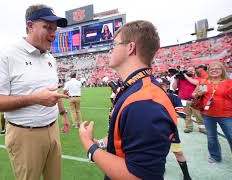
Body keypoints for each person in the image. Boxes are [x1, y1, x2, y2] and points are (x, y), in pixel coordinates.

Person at [79, 20, 179, 179]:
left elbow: (139, 175)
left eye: (114, 45)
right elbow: (126, 138)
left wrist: (89, 146)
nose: (110, 51)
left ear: (130, 48)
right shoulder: (136, 88)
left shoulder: (145, 102)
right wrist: (101, 144)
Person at [0, 4, 70, 180]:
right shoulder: (7, 54)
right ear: (30, 26)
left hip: (53, 130)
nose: (53, 34)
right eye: (47, 27)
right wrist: (35, 99)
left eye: (54, 29)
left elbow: (52, 91)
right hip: (25, 135)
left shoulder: (49, 57)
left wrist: (63, 113)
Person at [192, 62, 232, 163]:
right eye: (212, 69)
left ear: (222, 70)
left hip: (226, 115)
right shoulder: (203, 81)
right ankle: (215, 156)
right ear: (208, 71)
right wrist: (198, 93)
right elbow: (194, 95)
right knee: (211, 137)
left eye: (217, 68)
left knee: (231, 136)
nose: (214, 70)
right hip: (207, 115)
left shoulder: (229, 82)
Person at [159, 78, 192, 180]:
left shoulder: (173, 97)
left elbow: (181, 114)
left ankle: (186, 175)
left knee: (178, 152)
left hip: (170, 131)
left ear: (167, 86)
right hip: (154, 131)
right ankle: (161, 168)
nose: (159, 87)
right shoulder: (148, 98)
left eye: (162, 85)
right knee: (159, 152)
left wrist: (159, 115)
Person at [172, 66, 206, 133]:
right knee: (186, 115)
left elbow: (196, 83)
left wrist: (185, 76)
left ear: (195, 71)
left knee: (198, 115)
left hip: (195, 100)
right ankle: (189, 127)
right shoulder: (181, 80)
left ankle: (202, 128)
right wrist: (176, 79)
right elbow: (174, 88)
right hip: (184, 100)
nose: (190, 71)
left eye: (192, 70)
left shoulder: (198, 78)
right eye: (188, 70)